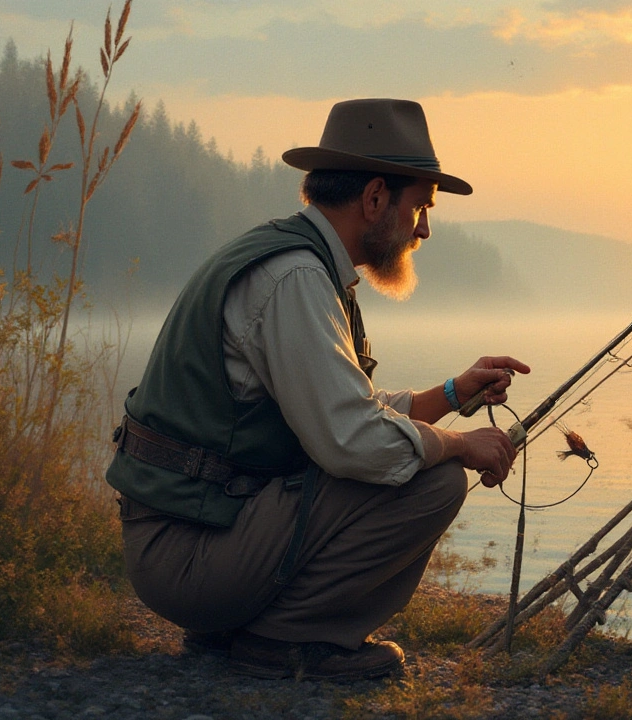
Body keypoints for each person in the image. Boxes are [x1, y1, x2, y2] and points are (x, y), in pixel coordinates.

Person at [106, 98, 528, 681]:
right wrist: (459, 445)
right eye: (421, 208)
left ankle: (240, 626)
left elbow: (343, 411)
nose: (424, 229)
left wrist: (454, 394)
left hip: (191, 541)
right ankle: (285, 640)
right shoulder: (297, 280)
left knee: (406, 457)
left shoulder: (297, 262)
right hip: (187, 558)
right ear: (375, 197)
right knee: (433, 482)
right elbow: (354, 442)